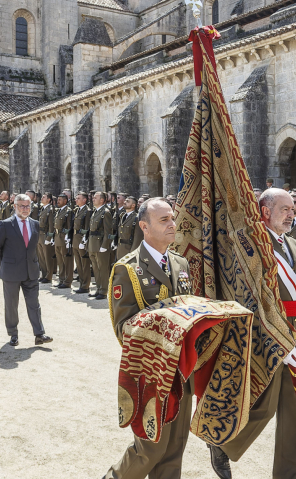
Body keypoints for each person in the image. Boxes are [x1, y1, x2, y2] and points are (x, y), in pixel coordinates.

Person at [210, 188, 296, 479]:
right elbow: (248, 295)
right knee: (264, 406)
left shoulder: (290, 243)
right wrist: (277, 337)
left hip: (295, 331)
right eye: (284, 209)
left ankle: (288, 475)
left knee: (295, 411)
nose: (291, 214)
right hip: (266, 333)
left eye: (293, 209)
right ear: (265, 211)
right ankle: (222, 446)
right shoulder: (252, 245)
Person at [105, 197, 195, 479]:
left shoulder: (180, 263)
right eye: (164, 220)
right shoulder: (128, 268)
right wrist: (163, 327)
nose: (172, 224)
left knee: (174, 449)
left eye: (172, 218)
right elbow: (123, 327)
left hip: (182, 370)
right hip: (152, 372)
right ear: (144, 226)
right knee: (150, 449)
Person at [0, 193, 52, 347]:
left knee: (34, 304)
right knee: (11, 304)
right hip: (11, 272)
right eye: (22, 206)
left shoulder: (35, 224)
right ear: (15, 207)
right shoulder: (5, 224)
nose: (25, 209)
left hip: (30, 270)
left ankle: (39, 334)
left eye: (28, 206)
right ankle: (13, 334)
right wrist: (5, 263)